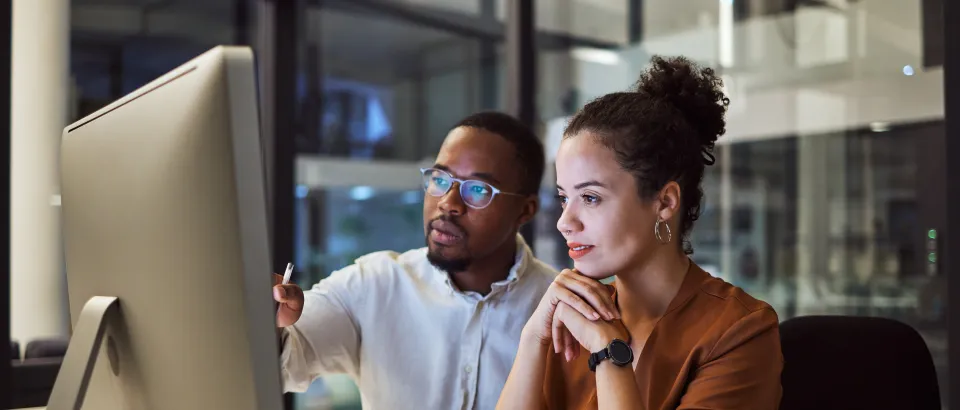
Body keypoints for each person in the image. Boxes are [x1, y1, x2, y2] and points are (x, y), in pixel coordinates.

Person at [497, 56, 783, 410]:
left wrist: (609, 352)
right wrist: (532, 338)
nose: (564, 222)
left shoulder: (740, 331)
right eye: (563, 198)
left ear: (664, 202)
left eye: (590, 197)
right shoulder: (570, 316)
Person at [273, 111, 558, 410]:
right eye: (440, 179)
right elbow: (284, 364)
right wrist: (273, 320)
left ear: (525, 210)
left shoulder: (558, 309)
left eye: (477, 189)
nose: (447, 202)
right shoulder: (375, 285)